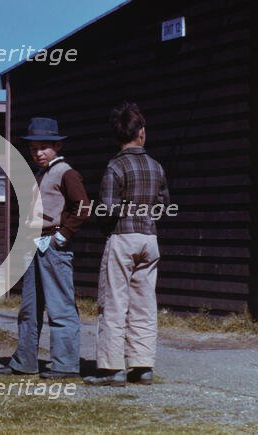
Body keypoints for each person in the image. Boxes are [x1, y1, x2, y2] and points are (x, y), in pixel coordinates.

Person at [0, 117, 90, 379]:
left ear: (57, 147)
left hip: (54, 246)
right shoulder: (39, 174)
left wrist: (63, 235)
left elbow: (82, 206)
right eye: (34, 148)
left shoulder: (65, 172)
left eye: (44, 147)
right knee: (29, 307)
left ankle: (66, 364)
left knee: (60, 306)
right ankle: (24, 361)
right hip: (34, 244)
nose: (38, 153)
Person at [83, 102, 170, 387]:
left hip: (122, 236)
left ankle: (112, 368)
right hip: (149, 238)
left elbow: (107, 209)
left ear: (117, 135)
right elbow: (163, 204)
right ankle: (143, 366)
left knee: (114, 303)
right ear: (141, 133)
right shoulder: (156, 166)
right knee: (144, 303)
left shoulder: (115, 166)